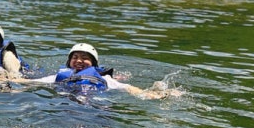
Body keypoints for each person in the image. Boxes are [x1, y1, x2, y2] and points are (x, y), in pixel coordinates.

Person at [22, 42, 168, 99]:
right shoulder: (58, 77)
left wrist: (152, 94)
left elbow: (129, 88)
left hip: (96, 105)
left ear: (93, 64)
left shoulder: (104, 78)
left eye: (84, 58)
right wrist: (3, 80)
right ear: (69, 62)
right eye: (75, 57)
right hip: (69, 106)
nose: (79, 61)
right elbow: (32, 82)